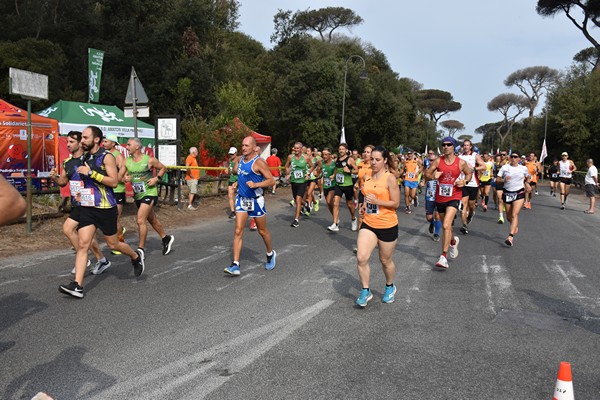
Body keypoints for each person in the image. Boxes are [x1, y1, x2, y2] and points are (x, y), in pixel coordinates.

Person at [58, 126, 145, 299]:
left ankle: (135, 256)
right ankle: (78, 286)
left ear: (96, 140)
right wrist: (79, 191)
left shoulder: (107, 157)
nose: (82, 141)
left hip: (106, 208)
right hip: (87, 208)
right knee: (83, 244)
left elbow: (114, 182)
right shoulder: (84, 157)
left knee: (113, 244)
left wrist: (91, 173)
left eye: (85, 137)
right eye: (81, 138)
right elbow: (84, 181)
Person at [50, 130, 110, 275]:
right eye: (67, 142)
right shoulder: (67, 162)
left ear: (79, 143)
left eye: (71, 142)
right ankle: (100, 260)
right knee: (82, 236)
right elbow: (63, 182)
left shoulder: (88, 159)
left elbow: (102, 177)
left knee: (72, 231)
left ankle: (86, 259)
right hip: (77, 203)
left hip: (90, 203)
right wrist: (55, 178)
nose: (68, 145)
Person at [355, 146, 400, 308]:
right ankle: (365, 290)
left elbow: (395, 203)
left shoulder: (390, 179)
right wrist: (364, 206)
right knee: (361, 257)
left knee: (385, 260)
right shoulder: (366, 177)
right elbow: (367, 197)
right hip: (369, 223)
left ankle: (389, 286)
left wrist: (377, 202)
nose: (373, 162)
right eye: (372, 159)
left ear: (385, 160)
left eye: (377, 160)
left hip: (387, 224)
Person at [224, 136, 276, 276]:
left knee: (262, 231)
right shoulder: (240, 159)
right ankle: (235, 264)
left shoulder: (259, 162)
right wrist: (237, 184)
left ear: (254, 147)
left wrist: (256, 184)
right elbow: (239, 174)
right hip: (242, 199)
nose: (243, 148)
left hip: (256, 200)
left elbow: (271, 180)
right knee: (238, 231)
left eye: (247, 145)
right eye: (242, 145)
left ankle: (270, 253)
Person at [425, 137, 471, 270]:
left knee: (446, 225)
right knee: (448, 228)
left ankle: (443, 257)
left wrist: (465, 182)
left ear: (454, 147)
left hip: (454, 196)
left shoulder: (460, 162)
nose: (445, 147)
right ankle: (452, 242)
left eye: (448, 145)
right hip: (440, 198)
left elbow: (468, 174)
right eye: (443, 145)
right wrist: (433, 176)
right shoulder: (438, 161)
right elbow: (427, 174)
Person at [124, 137, 175, 257]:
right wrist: (124, 179)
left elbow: (163, 168)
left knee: (140, 219)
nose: (127, 147)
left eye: (129, 144)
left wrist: (157, 178)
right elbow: (121, 177)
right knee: (152, 219)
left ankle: (141, 249)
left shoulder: (149, 160)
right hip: (138, 195)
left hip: (150, 193)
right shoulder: (127, 162)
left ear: (137, 146)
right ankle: (165, 238)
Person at [497, 151, 531, 246]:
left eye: (515, 157)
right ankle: (514, 225)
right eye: (512, 156)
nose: (513, 158)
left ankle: (510, 237)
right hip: (507, 192)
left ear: (519, 159)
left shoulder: (523, 168)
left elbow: (528, 177)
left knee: (514, 214)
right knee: (508, 216)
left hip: (519, 192)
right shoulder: (505, 167)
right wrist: (503, 180)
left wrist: (527, 183)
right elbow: (497, 179)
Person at [103, 134, 127, 255]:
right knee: (111, 219)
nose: (103, 143)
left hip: (118, 190)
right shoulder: (104, 155)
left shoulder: (118, 156)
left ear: (113, 143)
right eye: (103, 141)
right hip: (108, 190)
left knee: (116, 219)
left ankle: (120, 243)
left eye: (106, 141)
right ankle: (119, 232)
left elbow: (123, 174)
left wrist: (119, 178)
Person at [328, 143, 358, 232]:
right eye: (340, 149)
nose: (341, 150)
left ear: (346, 150)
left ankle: (353, 219)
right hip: (338, 185)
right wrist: (333, 175)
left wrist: (349, 171)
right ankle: (335, 223)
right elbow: (336, 169)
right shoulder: (337, 160)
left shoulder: (350, 160)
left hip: (348, 185)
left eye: (342, 149)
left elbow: (357, 170)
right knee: (336, 203)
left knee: (349, 204)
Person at [458, 139, 485, 234]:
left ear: (470, 147)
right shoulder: (459, 157)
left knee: (471, 205)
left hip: (473, 183)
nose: (465, 147)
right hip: (463, 183)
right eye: (464, 145)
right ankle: (464, 225)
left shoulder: (475, 156)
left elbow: (484, 166)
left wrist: (473, 168)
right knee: (463, 205)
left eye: (467, 145)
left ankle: (471, 214)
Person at [285, 142, 314, 228]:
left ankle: (296, 220)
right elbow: (286, 166)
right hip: (294, 181)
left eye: (298, 148)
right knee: (296, 199)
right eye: (295, 148)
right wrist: (287, 174)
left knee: (298, 199)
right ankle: (305, 204)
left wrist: (308, 173)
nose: (296, 150)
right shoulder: (290, 157)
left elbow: (312, 166)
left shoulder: (306, 157)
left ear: (301, 149)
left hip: (302, 181)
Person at [424, 150, 442, 241]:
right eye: (430, 161)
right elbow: (425, 176)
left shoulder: (442, 167)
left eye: (432, 161)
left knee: (438, 215)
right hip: (430, 192)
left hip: (440, 193)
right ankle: (432, 223)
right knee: (429, 217)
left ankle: (436, 234)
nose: (431, 163)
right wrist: (424, 181)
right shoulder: (427, 168)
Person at [399, 149, 422, 214]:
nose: (409, 155)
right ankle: (408, 207)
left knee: (412, 195)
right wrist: (398, 175)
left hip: (414, 180)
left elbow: (421, 167)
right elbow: (402, 169)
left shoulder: (416, 161)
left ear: (413, 154)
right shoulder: (405, 162)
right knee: (406, 194)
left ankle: (415, 198)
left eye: (410, 154)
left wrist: (418, 172)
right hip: (407, 179)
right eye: (408, 154)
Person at [494, 151, 509, 223]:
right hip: (499, 183)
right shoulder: (497, 163)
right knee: (500, 199)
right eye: (501, 155)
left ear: (506, 156)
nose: (502, 156)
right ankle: (501, 217)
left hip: (507, 184)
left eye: (504, 155)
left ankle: (507, 212)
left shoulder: (508, 163)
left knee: (507, 201)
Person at [227, 147, 239, 218]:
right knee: (230, 195)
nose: (231, 155)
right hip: (231, 180)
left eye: (232, 154)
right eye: (230, 154)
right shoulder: (230, 160)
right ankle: (233, 212)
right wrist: (227, 170)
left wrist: (238, 181)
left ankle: (244, 211)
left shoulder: (239, 160)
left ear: (236, 153)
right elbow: (230, 170)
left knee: (241, 195)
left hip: (238, 180)